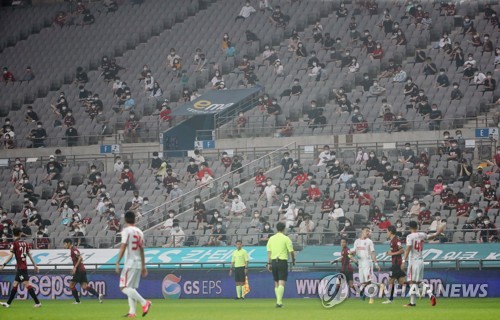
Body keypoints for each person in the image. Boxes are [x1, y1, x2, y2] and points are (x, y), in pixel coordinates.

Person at [114, 211, 152, 318]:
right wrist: (143, 266)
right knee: (131, 288)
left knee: (123, 287)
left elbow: (123, 246)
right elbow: (142, 250)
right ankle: (132, 312)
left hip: (130, 263)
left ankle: (144, 302)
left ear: (125, 220)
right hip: (138, 263)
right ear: (134, 219)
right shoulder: (140, 232)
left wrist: (117, 262)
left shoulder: (126, 231)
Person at [401, 220, 441, 307]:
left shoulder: (410, 236)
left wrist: (403, 261)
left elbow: (408, 249)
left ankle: (412, 302)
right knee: (418, 282)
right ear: (417, 227)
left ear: (410, 227)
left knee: (411, 281)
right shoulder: (422, 235)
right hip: (421, 260)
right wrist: (437, 233)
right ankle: (430, 294)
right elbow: (430, 237)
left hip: (413, 261)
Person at [0, 228, 41, 308]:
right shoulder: (25, 243)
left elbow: (11, 256)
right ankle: (8, 303)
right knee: (15, 284)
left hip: (21, 269)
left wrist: (3, 265)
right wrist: (35, 265)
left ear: (14, 234)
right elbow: (29, 255)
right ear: (20, 234)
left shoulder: (14, 244)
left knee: (26, 284)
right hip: (23, 267)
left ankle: (37, 303)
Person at [63, 238, 103, 304]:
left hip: (79, 270)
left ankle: (77, 301)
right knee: (84, 286)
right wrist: (74, 267)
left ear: (69, 243)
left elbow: (80, 258)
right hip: (82, 270)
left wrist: (75, 267)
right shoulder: (73, 250)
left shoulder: (74, 250)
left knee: (71, 286)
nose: (64, 246)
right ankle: (98, 295)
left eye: (65, 244)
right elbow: (80, 258)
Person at [267, 222, 295, 308]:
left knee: (276, 282)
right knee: (282, 281)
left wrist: (269, 263)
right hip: (282, 261)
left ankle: (278, 301)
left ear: (276, 228)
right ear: (284, 229)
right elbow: (291, 251)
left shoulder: (271, 238)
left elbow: (269, 252)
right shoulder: (286, 238)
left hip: (274, 262)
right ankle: (279, 302)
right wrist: (293, 259)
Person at [351, 227, 380, 303]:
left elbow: (372, 252)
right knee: (363, 282)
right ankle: (377, 287)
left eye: (368, 231)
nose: (368, 232)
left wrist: (376, 263)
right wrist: (351, 254)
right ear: (362, 231)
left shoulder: (369, 241)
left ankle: (371, 297)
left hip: (368, 263)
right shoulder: (357, 241)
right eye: (366, 230)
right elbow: (354, 252)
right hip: (360, 263)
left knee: (369, 280)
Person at [382, 226, 406, 304]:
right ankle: (417, 287)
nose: (386, 233)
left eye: (387, 231)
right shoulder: (393, 240)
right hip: (396, 263)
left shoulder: (396, 240)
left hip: (396, 264)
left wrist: (391, 253)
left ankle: (391, 299)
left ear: (390, 232)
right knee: (402, 282)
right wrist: (390, 252)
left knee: (391, 281)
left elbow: (402, 250)